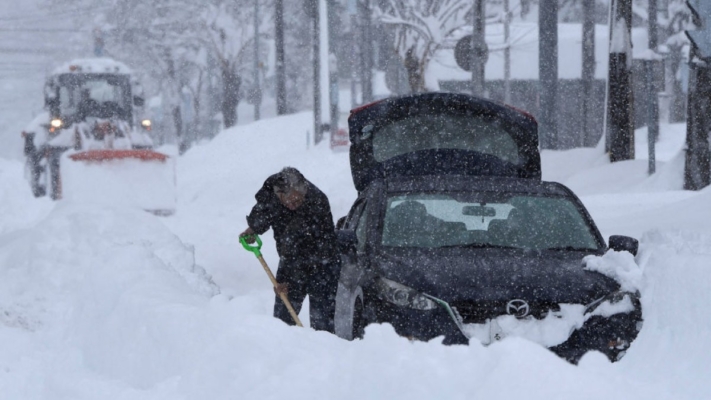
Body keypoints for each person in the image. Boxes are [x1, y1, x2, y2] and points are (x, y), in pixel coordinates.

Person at [240, 167, 340, 332]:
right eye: (290, 202)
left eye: (298, 201)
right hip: (292, 258)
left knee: (322, 322)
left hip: (323, 262)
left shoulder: (317, 202)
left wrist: (287, 279)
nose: (294, 205)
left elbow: (298, 245)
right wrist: (253, 228)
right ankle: (281, 350)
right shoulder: (272, 190)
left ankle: (322, 352)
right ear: (279, 195)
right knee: (282, 321)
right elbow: (264, 210)